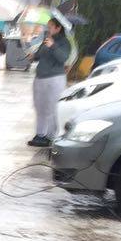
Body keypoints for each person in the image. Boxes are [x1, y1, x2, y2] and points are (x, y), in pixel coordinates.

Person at [28, 13, 77, 147]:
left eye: (50, 27)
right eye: (47, 26)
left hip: (55, 78)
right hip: (40, 78)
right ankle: (39, 134)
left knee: (52, 107)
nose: (47, 29)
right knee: (40, 107)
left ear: (58, 28)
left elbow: (63, 58)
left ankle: (51, 136)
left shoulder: (64, 42)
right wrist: (33, 56)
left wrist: (53, 46)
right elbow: (38, 56)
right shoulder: (46, 39)